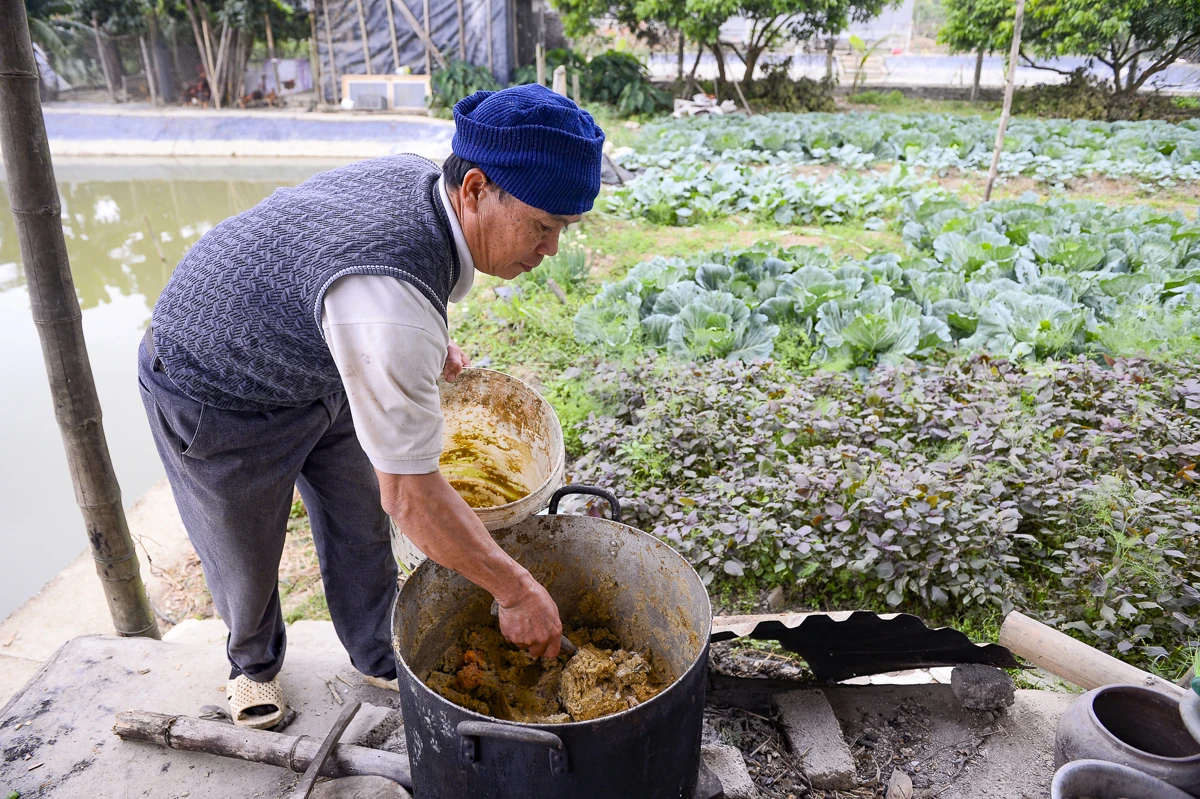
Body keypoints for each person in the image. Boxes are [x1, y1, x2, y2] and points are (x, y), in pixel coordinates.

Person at [137, 84, 605, 728]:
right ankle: (252, 665)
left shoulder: (425, 191)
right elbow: (412, 497)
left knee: (359, 518)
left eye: (563, 230)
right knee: (244, 556)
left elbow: (365, 294)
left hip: (320, 364)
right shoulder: (389, 310)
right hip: (216, 383)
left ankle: (379, 653)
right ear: (474, 189)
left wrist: (418, 341)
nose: (550, 249)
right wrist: (517, 591)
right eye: (543, 226)